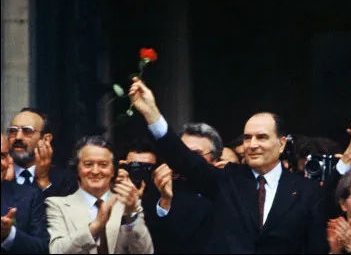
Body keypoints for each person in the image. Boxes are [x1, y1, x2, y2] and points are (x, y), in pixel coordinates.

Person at [128, 77, 328, 253]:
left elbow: (315, 248)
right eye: (247, 138)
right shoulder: (227, 179)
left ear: (281, 143)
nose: (252, 145)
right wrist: (152, 114)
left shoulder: (306, 191)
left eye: (262, 137)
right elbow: (184, 160)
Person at [45, 136, 154, 254]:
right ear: (77, 169)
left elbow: (146, 252)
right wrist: (95, 226)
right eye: (88, 164)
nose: (95, 171)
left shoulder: (129, 203)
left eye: (103, 164)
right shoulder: (57, 205)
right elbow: (56, 250)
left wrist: (131, 217)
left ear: (113, 171)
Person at [152, 122, 220, 253]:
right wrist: (165, 201)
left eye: (195, 154)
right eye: (181, 154)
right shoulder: (159, 188)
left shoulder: (227, 189)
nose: (185, 160)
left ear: (215, 159)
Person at [6, 108, 78, 198]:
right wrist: (5, 184)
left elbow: (62, 211)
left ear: (46, 139)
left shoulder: (64, 180)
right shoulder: (3, 175)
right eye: (13, 131)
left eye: (27, 131)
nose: (18, 137)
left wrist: (43, 181)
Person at [1, 133, 49, 254]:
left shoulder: (30, 196)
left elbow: (43, 249)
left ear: (9, 160)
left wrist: (9, 235)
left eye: (2, 156)